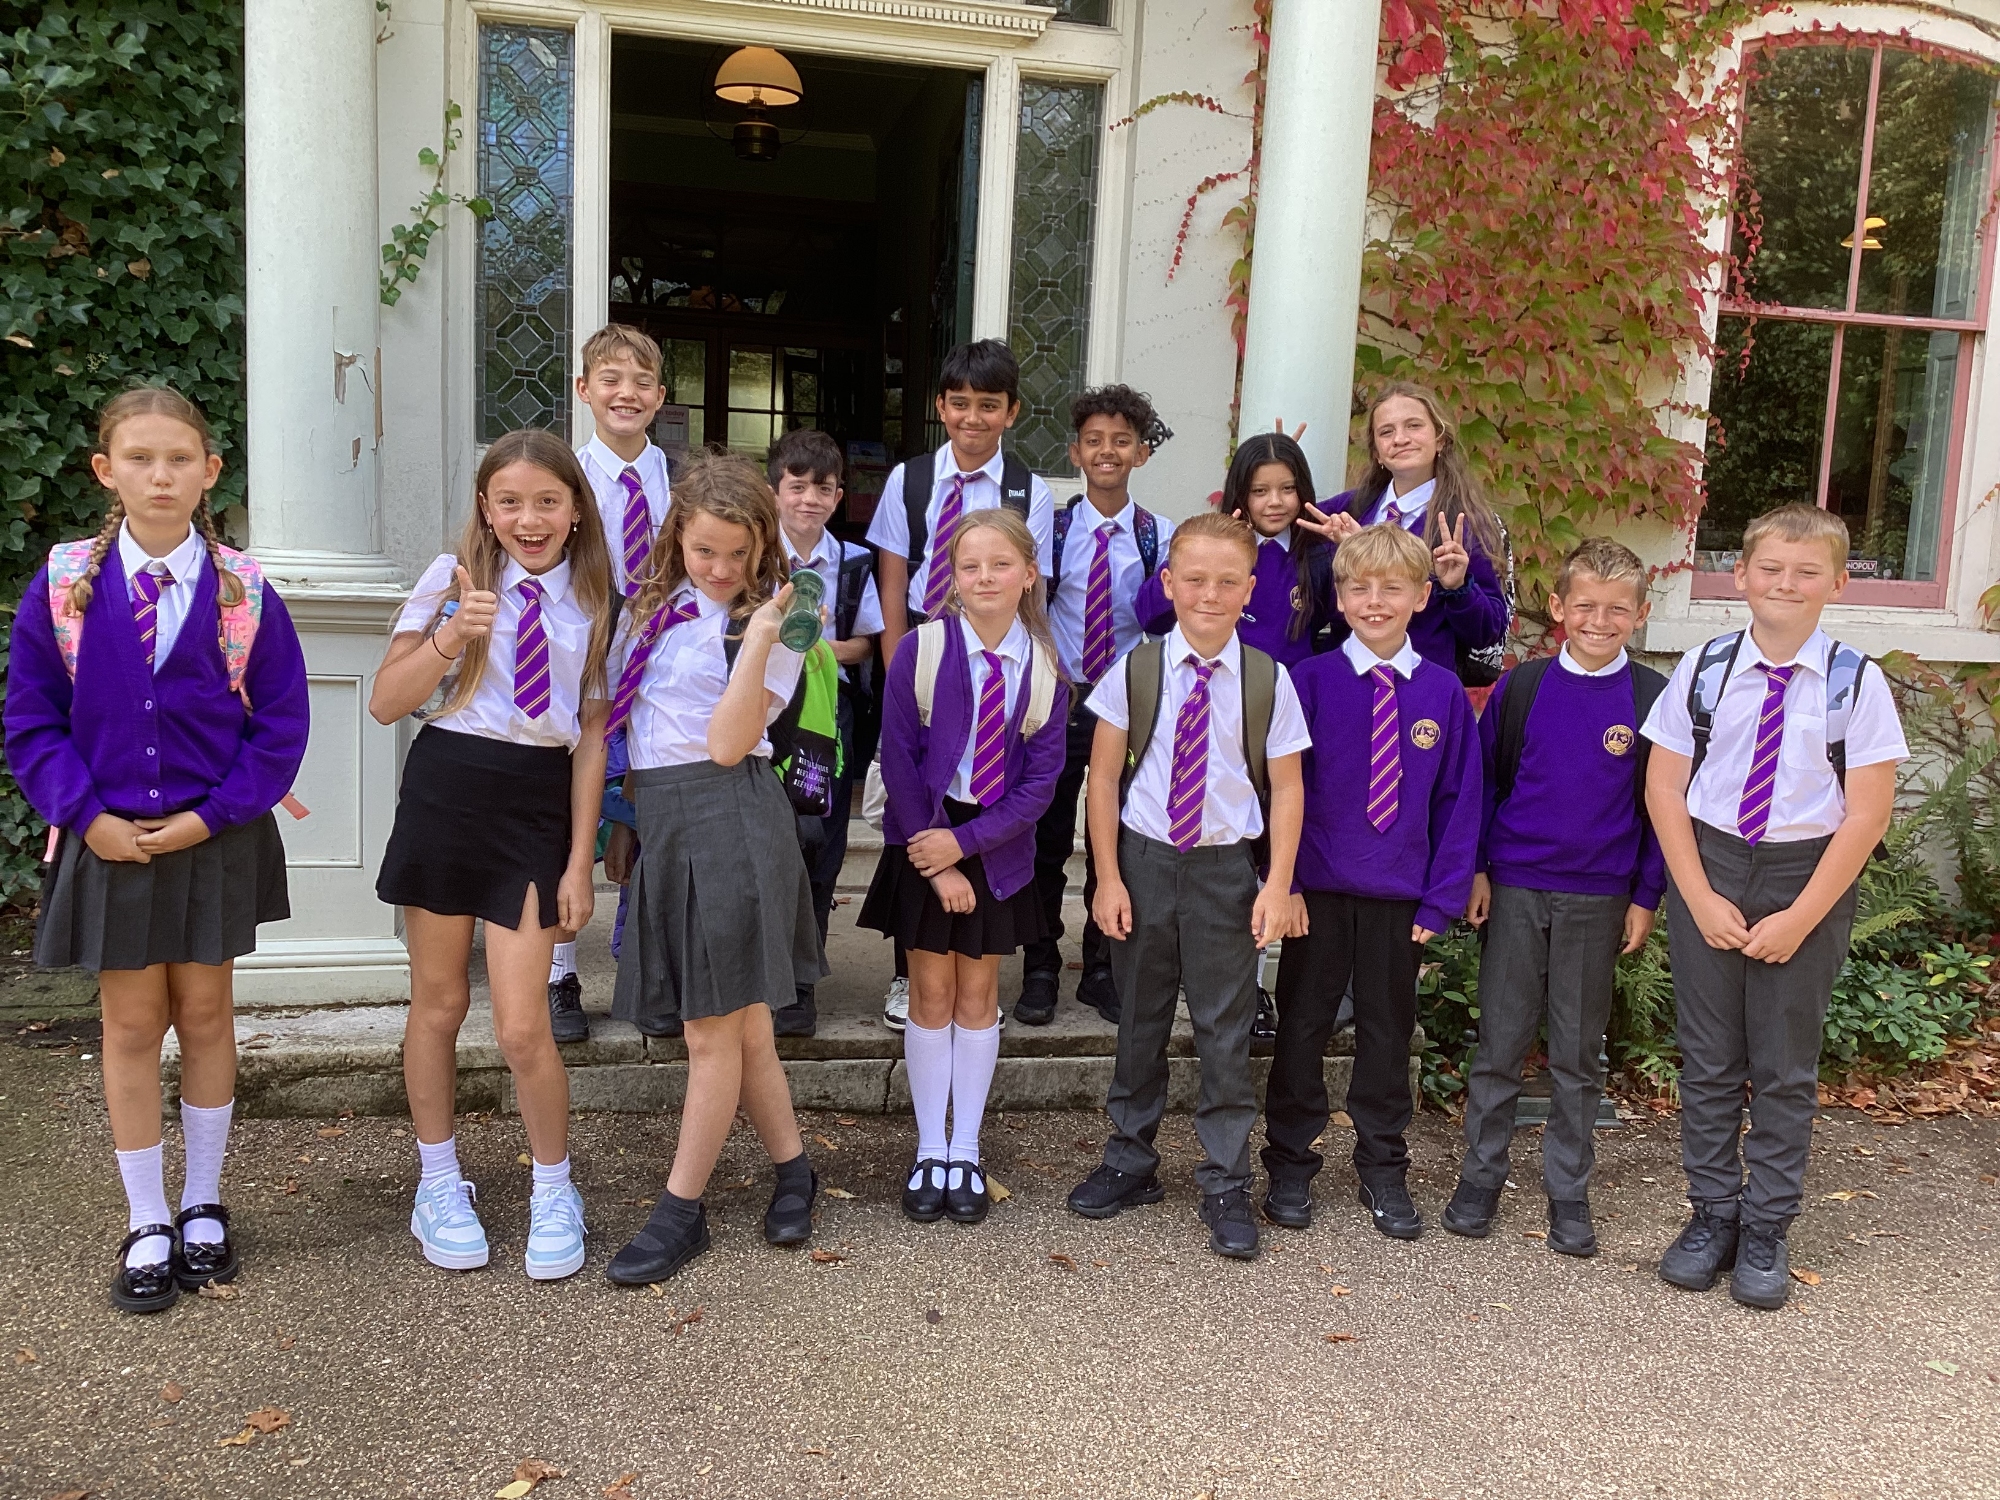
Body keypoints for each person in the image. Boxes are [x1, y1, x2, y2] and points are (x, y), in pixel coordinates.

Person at [6, 386, 310, 1312]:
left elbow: (280, 726)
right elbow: (31, 719)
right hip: (109, 838)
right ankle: (147, 1217)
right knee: (132, 1026)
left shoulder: (243, 592)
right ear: (107, 471)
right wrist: (85, 815)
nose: (160, 475)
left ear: (210, 471)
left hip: (209, 836)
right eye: (139, 458)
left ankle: (204, 1201)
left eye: (180, 458)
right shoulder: (64, 586)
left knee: (207, 1014)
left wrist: (211, 817)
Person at [1641, 504, 1904, 1310]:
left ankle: (1766, 1226)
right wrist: (1698, 897)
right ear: (1742, 575)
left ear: (1837, 583)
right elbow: (1664, 788)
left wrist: (1801, 917)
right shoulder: (1705, 669)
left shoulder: (1856, 682)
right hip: (1713, 864)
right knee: (1710, 1060)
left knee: (1784, 1067)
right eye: (1771, 569)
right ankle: (1712, 1213)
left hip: (1805, 874)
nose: (1787, 584)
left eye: (1807, 572)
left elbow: (1867, 815)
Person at [372, 430, 614, 1281]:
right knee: (438, 1005)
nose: (528, 518)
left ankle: (554, 1187)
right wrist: (449, 639)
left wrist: (580, 861)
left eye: (547, 501)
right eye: (509, 502)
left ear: (575, 508)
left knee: (522, 1025)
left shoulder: (598, 597)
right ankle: (438, 1182)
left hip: (535, 802)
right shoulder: (450, 580)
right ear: (486, 508)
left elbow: (591, 737)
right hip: (447, 790)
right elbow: (385, 702)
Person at [604, 451, 825, 1283]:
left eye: (739, 553)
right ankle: (795, 1170)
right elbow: (634, 722)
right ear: (677, 538)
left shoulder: (783, 620)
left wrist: (760, 635)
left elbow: (730, 743)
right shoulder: (649, 609)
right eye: (705, 550)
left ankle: (680, 1212)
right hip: (665, 817)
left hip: (732, 813)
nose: (722, 569)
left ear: (764, 543)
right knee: (746, 1026)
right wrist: (624, 823)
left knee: (709, 1030)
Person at [1066, 513, 1308, 1261]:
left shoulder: (1268, 680)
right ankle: (1129, 1159)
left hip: (1223, 871)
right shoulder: (1135, 671)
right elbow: (1103, 779)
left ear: (1250, 590)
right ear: (1168, 583)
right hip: (1144, 862)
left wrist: (1277, 884)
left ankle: (1226, 1179)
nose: (1210, 594)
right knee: (1139, 1017)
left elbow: (1289, 789)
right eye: (1195, 579)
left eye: (1227, 581)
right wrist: (1107, 878)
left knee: (1224, 1030)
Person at [1444, 538, 1667, 1254]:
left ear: (1640, 614)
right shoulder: (1524, 689)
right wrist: (1478, 869)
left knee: (1576, 1053)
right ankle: (1480, 1177)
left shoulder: (1651, 700)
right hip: (1515, 886)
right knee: (1500, 1043)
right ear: (1559, 606)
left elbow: (1664, 811)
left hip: (1598, 897)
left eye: (1617, 609)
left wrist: (1646, 895)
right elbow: (1483, 783)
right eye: (1586, 606)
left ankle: (1568, 1192)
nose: (1600, 621)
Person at [1259, 523, 1480, 1241]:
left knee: (1388, 1032)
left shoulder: (1443, 693)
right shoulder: (1309, 682)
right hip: (1317, 891)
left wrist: (1442, 898)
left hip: (1400, 897)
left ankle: (1383, 1165)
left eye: (1392, 588)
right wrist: (1284, 882)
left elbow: (1459, 802)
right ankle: (1289, 1161)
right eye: (1359, 588)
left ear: (1422, 597)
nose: (1375, 601)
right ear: (1339, 597)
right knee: (1302, 1026)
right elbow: (1280, 789)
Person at [863, 508, 1066, 1223]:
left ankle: (966, 1149)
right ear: (951, 576)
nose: (985, 577)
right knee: (930, 994)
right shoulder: (919, 651)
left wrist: (968, 847)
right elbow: (899, 758)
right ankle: (929, 1148)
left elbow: (1040, 785)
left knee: (978, 998)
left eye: (1001, 565)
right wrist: (937, 855)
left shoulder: (1043, 669)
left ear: (1029, 575)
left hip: (995, 845)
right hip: (926, 835)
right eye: (970, 565)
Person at [866, 338, 1055, 1031]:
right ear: (941, 407)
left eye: (988, 405)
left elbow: (1033, 584)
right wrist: (901, 665)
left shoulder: (1028, 491)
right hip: (925, 654)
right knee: (915, 796)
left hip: (999, 644)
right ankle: (906, 971)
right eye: (960, 404)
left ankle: (990, 962)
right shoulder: (911, 480)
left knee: (985, 797)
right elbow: (892, 578)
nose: (972, 418)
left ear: (1011, 412)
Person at [1019, 385, 1177, 1029]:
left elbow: (1167, 622)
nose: (1107, 451)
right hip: (1061, 700)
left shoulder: (1159, 536)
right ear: (1075, 452)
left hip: (1127, 705)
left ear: (1141, 453)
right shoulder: (1053, 531)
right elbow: (1034, 609)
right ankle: (1039, 965)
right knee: (1047, 835)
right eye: (1094, 441)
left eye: (1121, 441)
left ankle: (1102, 965)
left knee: (1117, 838)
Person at [550, 323, 672, 1043]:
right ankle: (559, 970)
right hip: (579, 671)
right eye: (611, 379)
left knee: (652, 816)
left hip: (658, 675)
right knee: (568, 817)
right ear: (584, 389)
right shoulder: (562, 481)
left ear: (660, 396)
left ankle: (641, 968)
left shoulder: (679, 482)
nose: (626, 393)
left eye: (641, 382)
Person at [768, 428, 883, 1038]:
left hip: (824, 721)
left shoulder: (853, 563)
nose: (809, 499)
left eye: (823, 488)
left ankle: (800, 982)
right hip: (763, 712)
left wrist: (815, 646)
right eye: (797, 486)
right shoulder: (754, 552)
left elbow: (865, 643)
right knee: (768, 840)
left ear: (838, 497)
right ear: (775, 491)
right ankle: (761, 973)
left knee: (820, 843)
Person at [1315, 382, 1511, 683]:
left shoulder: (1468, 524)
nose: (1400, 439)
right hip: (1347, 681)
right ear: (1377, 453)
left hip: (1421, 689)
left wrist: (1458, 588)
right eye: (1386, 432)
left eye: (1413, 426)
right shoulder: (1347, 510)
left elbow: (1488, 632)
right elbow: (1278, 522)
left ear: (1440, 439)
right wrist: (1281, 460)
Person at [1135, 431, 1332, 670]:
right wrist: (1204, 551)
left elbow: (1346, 626)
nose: (1275, 501)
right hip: (1213, 681)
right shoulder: (1213, 547)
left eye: (1288, 488)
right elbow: (1149, 615)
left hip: (1288, 687)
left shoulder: (1319, 554)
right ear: (1240, 492)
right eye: (1259, 491)